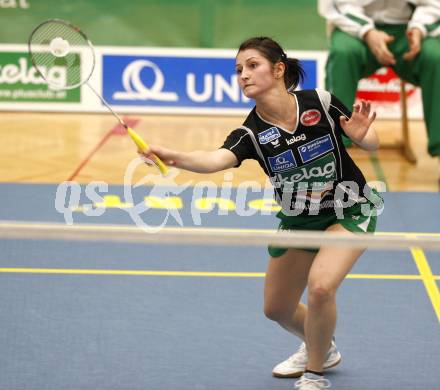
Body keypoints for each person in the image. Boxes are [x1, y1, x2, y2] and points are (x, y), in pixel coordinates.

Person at [139, 37, 382, 389]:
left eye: (252, 65)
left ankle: (315, 373)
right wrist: (174, 156)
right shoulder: (251, 133)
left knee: (320, 288)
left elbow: (371, 139)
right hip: (300, 220)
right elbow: (213, 160)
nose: (243, 75)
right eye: (239, 70)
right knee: (277, 308)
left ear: (279, 69)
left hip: (350, 208)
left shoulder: (321, 102)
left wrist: (363, 137)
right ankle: (322, 348)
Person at [318, 0, 440, 160]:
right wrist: (367, 32)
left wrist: (420, 28)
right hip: (353, 26)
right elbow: (334, 4)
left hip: (409, 26)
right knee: (343, 53)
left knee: (436, 57)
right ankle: (334, 153)